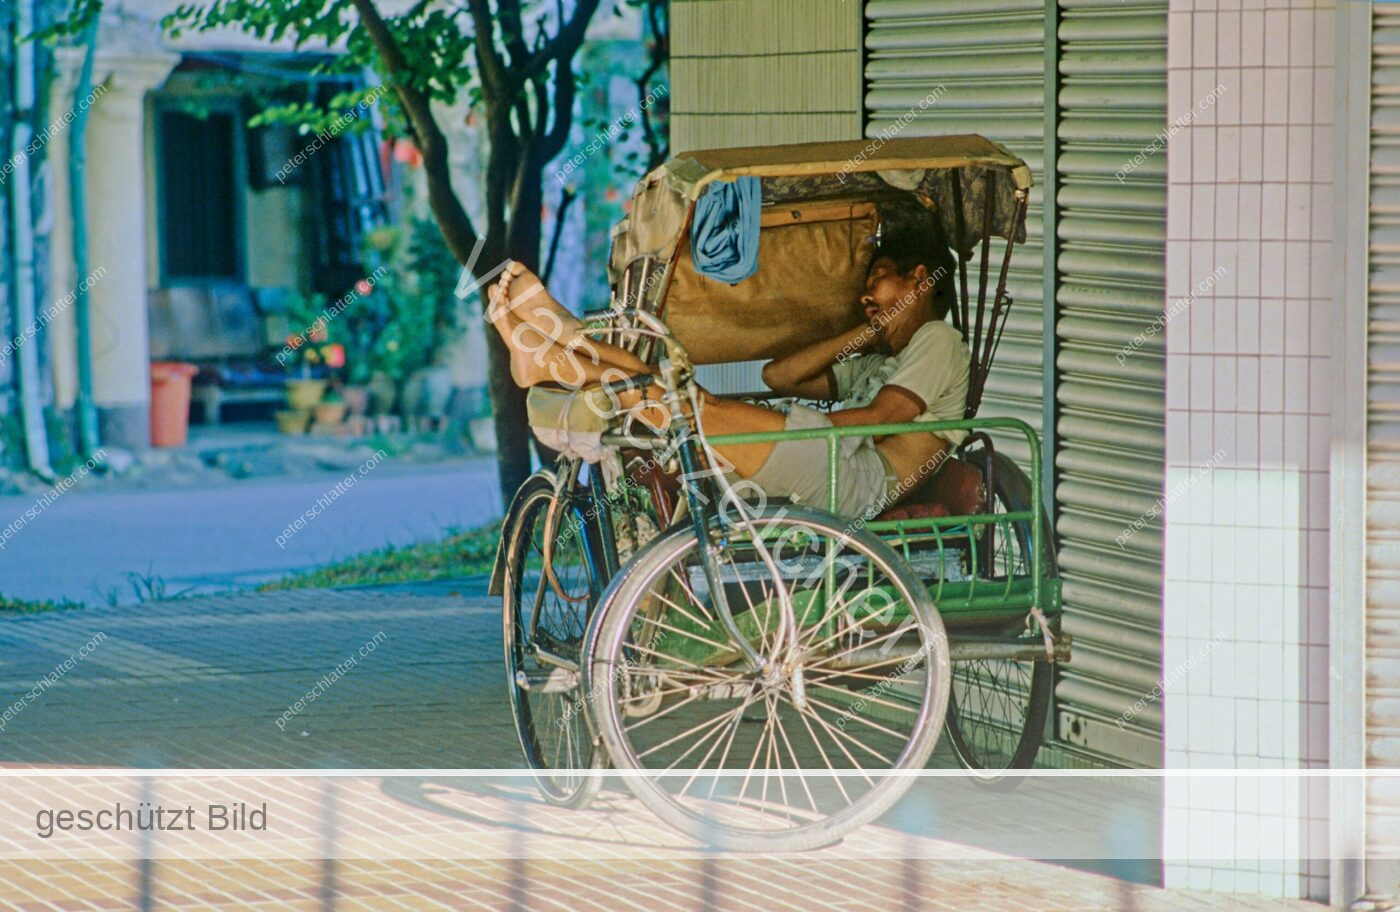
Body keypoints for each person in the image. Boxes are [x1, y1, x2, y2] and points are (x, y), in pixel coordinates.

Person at [488, 232, 970, 519]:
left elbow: (883, 416)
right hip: (833, 460)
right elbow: (782, 375)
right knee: (684, 397)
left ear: (919, 279)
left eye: (878, 279)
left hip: (858, 481)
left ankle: (562, 353)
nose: (867, 294)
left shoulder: (937, 338)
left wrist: (802, 428)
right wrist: (868, 330)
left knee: (695, 407)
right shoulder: (883, 360)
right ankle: (569, 342)